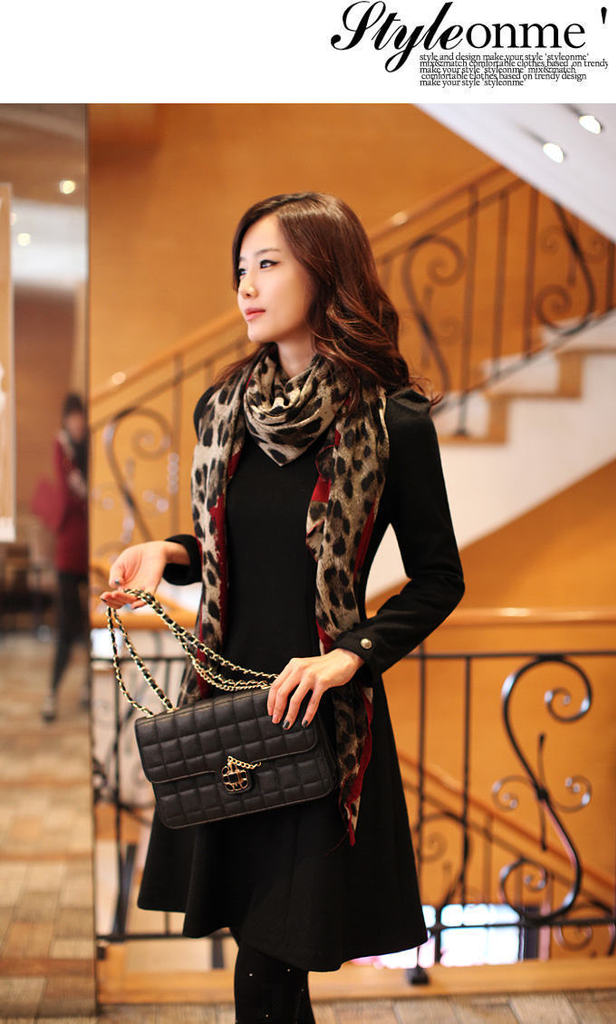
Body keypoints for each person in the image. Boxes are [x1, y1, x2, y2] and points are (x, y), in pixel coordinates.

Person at [101, 191, 465, 1023]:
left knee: (271, 960)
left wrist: (349, 656)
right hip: (226, 714)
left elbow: (439, 578)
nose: (247, 286)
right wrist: (170, 553)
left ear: (325, 272)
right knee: (263, 957)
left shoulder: (392, 422)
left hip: (318, 722)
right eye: (241, 268)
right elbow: (234, 547)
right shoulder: (223, 411)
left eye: (268, 265)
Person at [42, 392, 90, 722]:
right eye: (72, 416)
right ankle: (52, 695)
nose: (77, 423)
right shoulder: (62, 448)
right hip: (68, 550)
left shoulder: (89, 449)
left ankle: (87, 687)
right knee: (65, 626)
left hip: (89, 547)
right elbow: (66, 495)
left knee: (91, 625)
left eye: (79, 416)